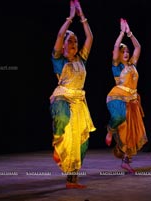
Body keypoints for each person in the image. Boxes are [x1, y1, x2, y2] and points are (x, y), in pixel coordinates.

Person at [49, 0, 95, 189]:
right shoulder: (58, 58)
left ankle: (72, 179)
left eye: (76, 41)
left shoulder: (82, 59)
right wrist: (70, 17)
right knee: (61, 116)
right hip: (63, 97)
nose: (74, 43)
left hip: (79, 100)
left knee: (81, 141)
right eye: (71, 41)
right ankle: (57, 142)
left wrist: (82, 17)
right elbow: (60, 34)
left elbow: (90, 38)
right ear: (64, 46)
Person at [105, 18, 148, 173]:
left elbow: (138, 46)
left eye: (127, 51)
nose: (126, 53)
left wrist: (130, 33)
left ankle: (125, 161)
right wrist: (122, 33)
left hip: (133, 101)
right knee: (122, 125)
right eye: (123, 52)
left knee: (132, 133)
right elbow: (116, 46)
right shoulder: (116, 66)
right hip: (119, 97)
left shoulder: (132, 64)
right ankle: (110, 131)